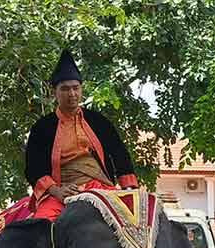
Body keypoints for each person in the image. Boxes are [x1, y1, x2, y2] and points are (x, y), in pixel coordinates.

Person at [24, 49, 139, 221]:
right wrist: (56, 190)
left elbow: (119, 154)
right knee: (41, 224)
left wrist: (129, 188)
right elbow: (34, 167)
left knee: (134, 223)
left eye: (75, 88)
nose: (72, 94)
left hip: (101, 188)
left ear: (81, 89)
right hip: (63, 191)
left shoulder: (99, 121)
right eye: (65, 89)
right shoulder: (42, 127)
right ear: (54, 92)